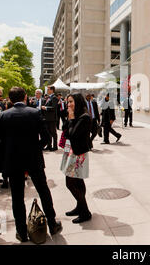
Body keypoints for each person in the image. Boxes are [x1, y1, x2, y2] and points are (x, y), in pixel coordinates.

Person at [0, 87, 62, 242]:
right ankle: (52, 224)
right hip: (33, 159)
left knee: (17, 197)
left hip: (13, 161)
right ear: (25, 97)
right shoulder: (34, 113)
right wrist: (35, 149)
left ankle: (21, 232)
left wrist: (6, 154)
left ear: (9, 99)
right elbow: (46, 137)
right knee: (43, 191)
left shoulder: (2, 116)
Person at [62, 94, 92, 223]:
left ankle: (85, 211)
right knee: (78, 182)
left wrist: (71, 118)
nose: (68, 105)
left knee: (70, 183)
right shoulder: (75, 116)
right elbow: (65, 132)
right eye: (67, 102)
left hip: (78, 154)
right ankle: (80, 207)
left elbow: (72, 134)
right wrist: (70, 119)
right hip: (72, 152)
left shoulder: (84, 117)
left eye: (71, 102)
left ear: (78, 102)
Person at [42, 86, 59, 151]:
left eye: (48, 89)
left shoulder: (54, 98)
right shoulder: (48, 97)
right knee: (48, 133)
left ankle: (55, 146)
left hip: (52, 118)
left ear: (52, 90)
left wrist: (45, 108)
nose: (47, 90)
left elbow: (54, 108)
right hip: (47, 118)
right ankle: (49, 145)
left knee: (53, 133)